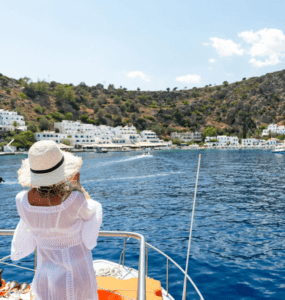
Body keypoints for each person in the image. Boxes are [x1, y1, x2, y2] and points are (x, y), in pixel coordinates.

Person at [11, 140, 103, 300]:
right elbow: (91, 214)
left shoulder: (22, 201)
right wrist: (77, 185)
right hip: (77, 277)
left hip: (45, 277)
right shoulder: (74, 199)